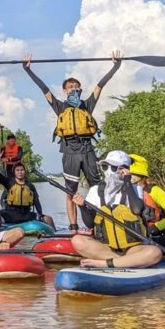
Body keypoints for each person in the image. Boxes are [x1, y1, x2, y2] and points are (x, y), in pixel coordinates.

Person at [21, 51, 122, 231]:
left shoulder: (88, 104)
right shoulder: (60, 107)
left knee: (97, 189)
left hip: (87, 149)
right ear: (65, 91)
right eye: (70, 86)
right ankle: (74, 227)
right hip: (69, 151)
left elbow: (101, 84)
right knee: (70, 192)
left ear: (80, 89)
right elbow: (43, 88)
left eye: (76, 86)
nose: (73, 88)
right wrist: (28, 70)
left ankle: (100, 226)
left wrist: (116, 66)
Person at [71, 150, 165, 268]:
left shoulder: (135, 189)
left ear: (124, 171)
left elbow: (137, 210)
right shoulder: (95, 191)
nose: (109, 172)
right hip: (107, 247)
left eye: (114, 168)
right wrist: (82, 207)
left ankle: (106, 263)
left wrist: (127, 182)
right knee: (77, 240)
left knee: (154, 253)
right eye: (105, 167)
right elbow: (90, 224)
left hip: (133, 248)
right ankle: (125, 262)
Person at [0, 161, 55, 229]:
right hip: (10, 214)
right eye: (17, 170)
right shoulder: (9, 183)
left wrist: (40, 214)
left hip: (26, 214)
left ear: (25, 171)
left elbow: (37, 202)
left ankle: (55, 237)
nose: (20, 172)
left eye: (22, 170)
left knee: (48, 219)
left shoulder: (30, 186)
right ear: (14, 172)